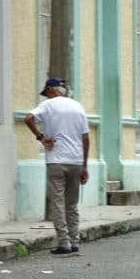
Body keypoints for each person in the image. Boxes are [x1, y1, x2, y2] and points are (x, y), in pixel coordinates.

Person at [24, 77, 90, 255]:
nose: (46, 97)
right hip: (76, 160)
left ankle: (64, 243)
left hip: (56, 160)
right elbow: (86, 138)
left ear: (51, 90)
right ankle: (75, 241)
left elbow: (28, 118)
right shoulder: (78, 107)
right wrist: (85, 166)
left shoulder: (48, 105)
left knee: (58, 203)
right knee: (72, 204)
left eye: (46, 93)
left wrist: (40, 136)